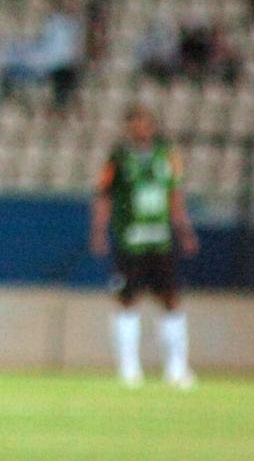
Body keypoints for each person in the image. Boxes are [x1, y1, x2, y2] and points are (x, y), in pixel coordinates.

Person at [90, 103, 200, 389]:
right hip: (130, 241)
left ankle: (176, 368)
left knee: (171, 299)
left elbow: (175, 194)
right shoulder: (118, 158)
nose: (140, 127)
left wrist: (184, 230)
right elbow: (103, 196)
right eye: (134, 122)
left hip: (160, 241)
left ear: (152, 125)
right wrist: (100, 231)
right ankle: (129, 369)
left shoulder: (168, 155)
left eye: (144, 121)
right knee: (128, 299)